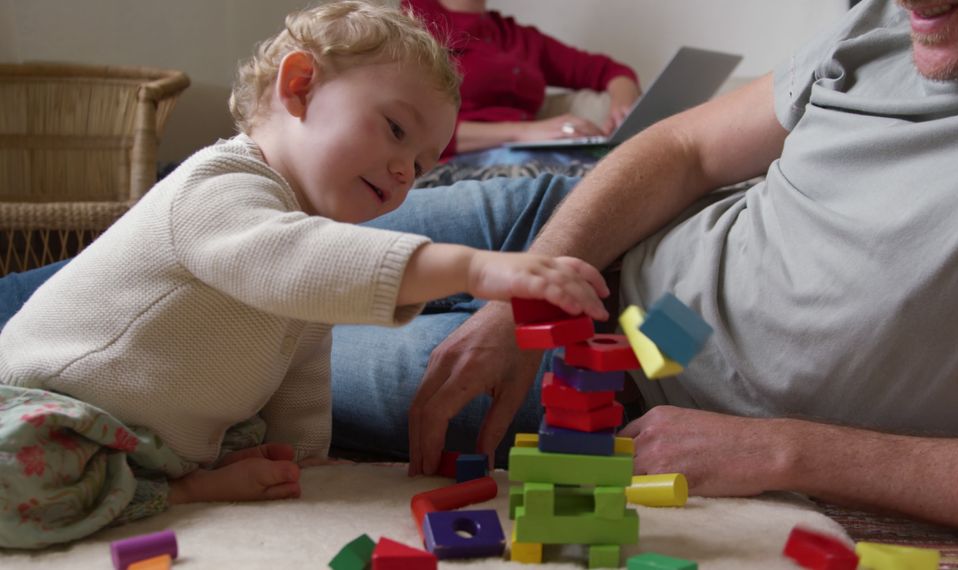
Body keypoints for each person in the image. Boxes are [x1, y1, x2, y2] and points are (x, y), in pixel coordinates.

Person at [327, 0, 958, 547]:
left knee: (266, 357)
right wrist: (526, 295)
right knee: (261, 237)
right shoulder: (879, 23)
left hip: (623, 397)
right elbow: (685, 147)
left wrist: (791, 451)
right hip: (559, 229)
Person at [0, 1, 608, 549]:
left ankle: (173, 482)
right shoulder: (216, 186)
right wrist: (475, 268)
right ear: (300, 86)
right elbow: (299, 261)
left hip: (150, 442)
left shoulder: (305, 232)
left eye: (422, 166)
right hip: (47, 411)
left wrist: (305, 458)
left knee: (252, 439)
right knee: (17, 474)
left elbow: (301, 368)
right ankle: (179, 494)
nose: (404, 172)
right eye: (395, 130)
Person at [403, 0, 642, 163]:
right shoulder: (411, 21)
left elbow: (612, 71)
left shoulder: (516, 36)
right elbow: (413, 128)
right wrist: (524, 132)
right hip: (459, 166)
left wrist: (622, 112)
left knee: (624, 165)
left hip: (524, 155)